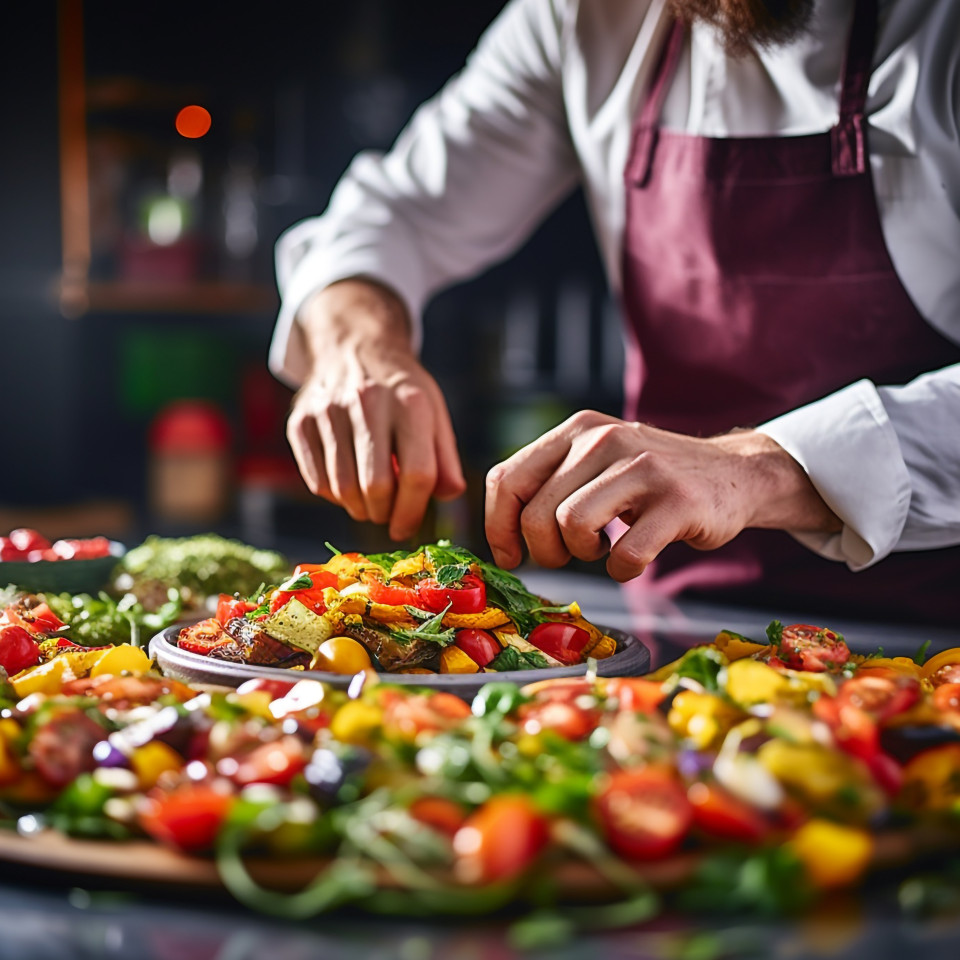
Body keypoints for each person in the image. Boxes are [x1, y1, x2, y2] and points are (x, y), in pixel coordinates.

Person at [269, 0, 960, 624]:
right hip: (686, 629)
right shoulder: (582, 17)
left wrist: (761, 469)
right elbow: (396, 214)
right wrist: (357, 344)